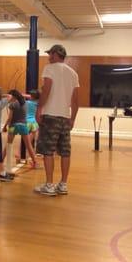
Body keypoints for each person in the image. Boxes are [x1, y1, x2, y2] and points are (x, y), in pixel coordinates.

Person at [35, 44, 79, 196]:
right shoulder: (73, 73)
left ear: (55, 54)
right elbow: (75, 100)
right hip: (65, 118)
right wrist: (72, 118)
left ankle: (49, 185)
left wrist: (39, 108)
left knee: (48, 151)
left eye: (50, 54)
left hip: (51, 116)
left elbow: (46, 90)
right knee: (65, 152)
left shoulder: (50, 69)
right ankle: (63, 184)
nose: (49, 57)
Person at [3, 89, 38, 168]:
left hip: (13, 126)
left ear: (13, 96)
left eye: (9, 97)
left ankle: (1, 160)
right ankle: (35, 162)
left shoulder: (12, 105)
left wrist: (5, 126)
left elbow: (10, 118)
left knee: (8, 145)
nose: (8, 99)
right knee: (29, 145)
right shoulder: (25, 103)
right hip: (23, 126)